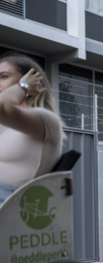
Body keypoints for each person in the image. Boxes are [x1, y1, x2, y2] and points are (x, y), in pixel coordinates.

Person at [0, 53, 64, 207]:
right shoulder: (4, 123)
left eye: (3, 76)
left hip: (15, 204)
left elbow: (3, 107)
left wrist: (23, 87)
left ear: (32, 80)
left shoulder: (45, 119)